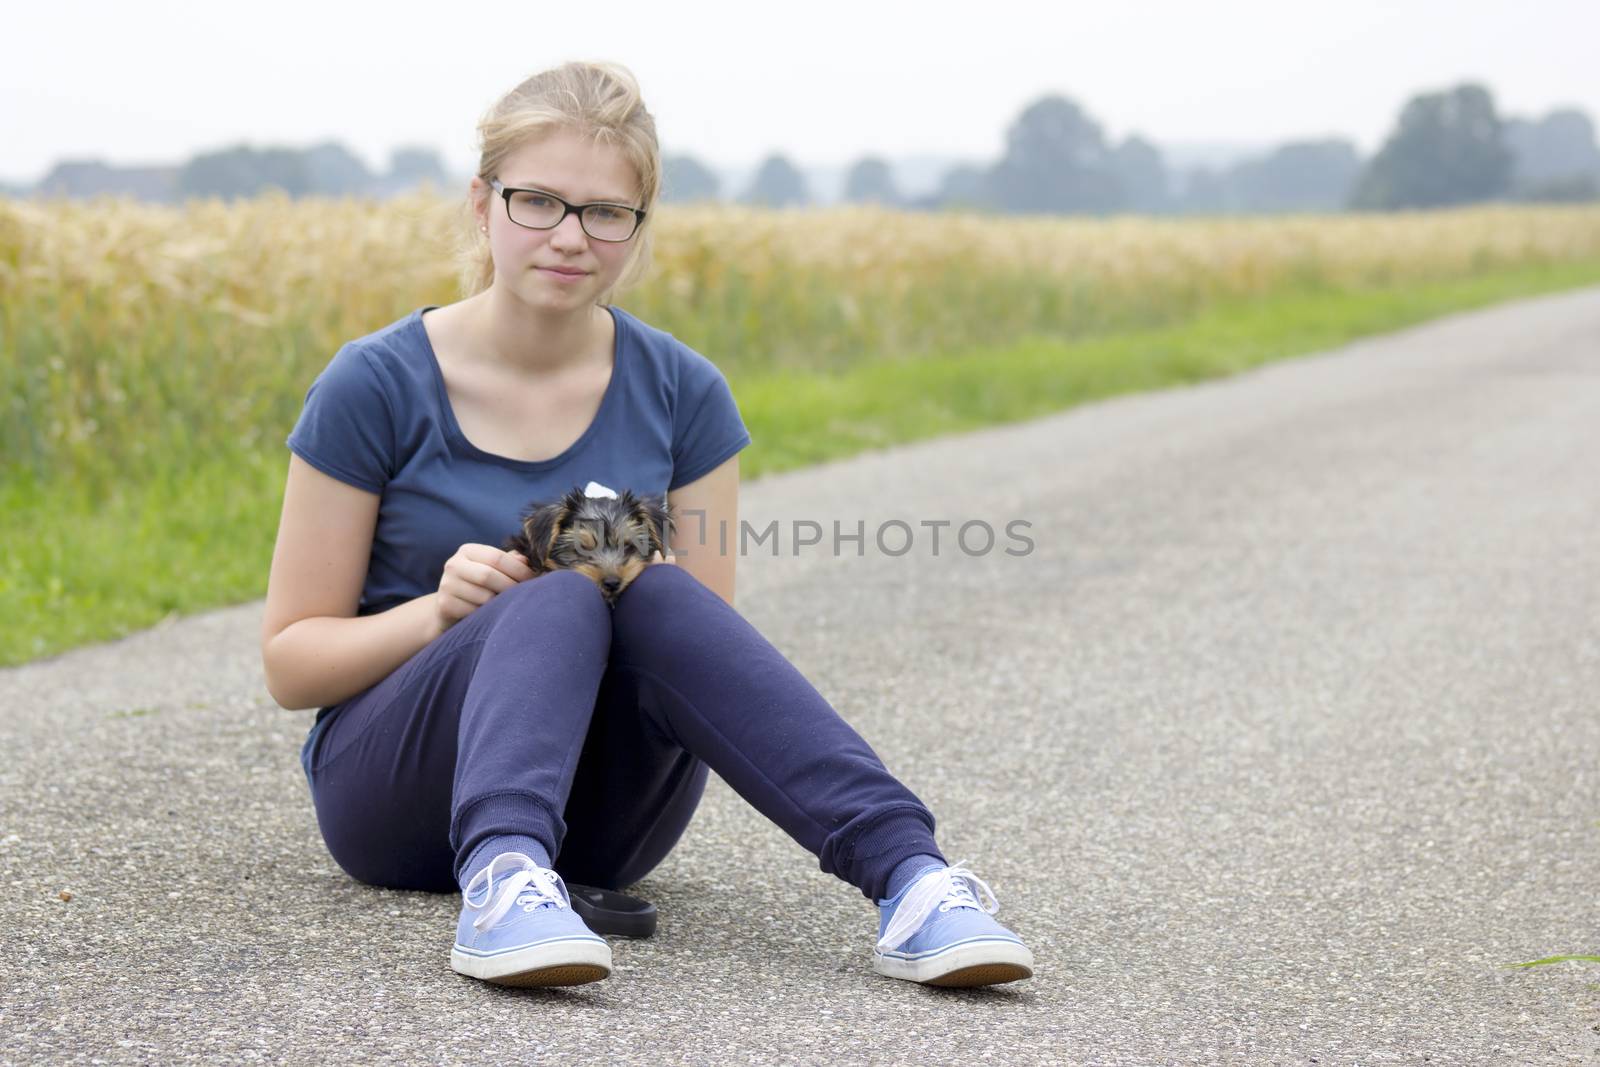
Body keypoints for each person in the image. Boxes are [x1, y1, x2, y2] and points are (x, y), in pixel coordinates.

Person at [260, 60, 1034, 989]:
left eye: (605, 212)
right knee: (554, 600)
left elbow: (706, 659)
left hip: (606, 812)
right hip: (394, 794)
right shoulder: (374, 383)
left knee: (646, 589)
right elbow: (291, 663)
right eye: (537, 201)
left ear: (637, 227)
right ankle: (504, 880)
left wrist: (637, 576)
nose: (569, 236)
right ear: (482, 204)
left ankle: (912, 879)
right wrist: (438, 613)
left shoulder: (684, 390)